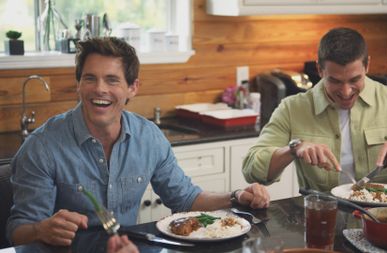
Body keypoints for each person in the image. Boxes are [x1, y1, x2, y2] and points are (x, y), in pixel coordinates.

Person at [6, 37, 270, 247]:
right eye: (90, 78)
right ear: (78, 84)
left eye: (112, 80)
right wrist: (41, 229)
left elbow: (186, 199)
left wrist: (236, 197)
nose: (100, 89)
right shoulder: (42, 146)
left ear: (132, 88)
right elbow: (18, 232)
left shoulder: (149, 138)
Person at [242, 27, 387, 192]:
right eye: (334, 80)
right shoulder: (293, 108)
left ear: (367, 66)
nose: (346, 91)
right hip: (323, 218)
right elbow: (252, 169)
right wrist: (293, 149)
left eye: (355, 79)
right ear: (319, 69)